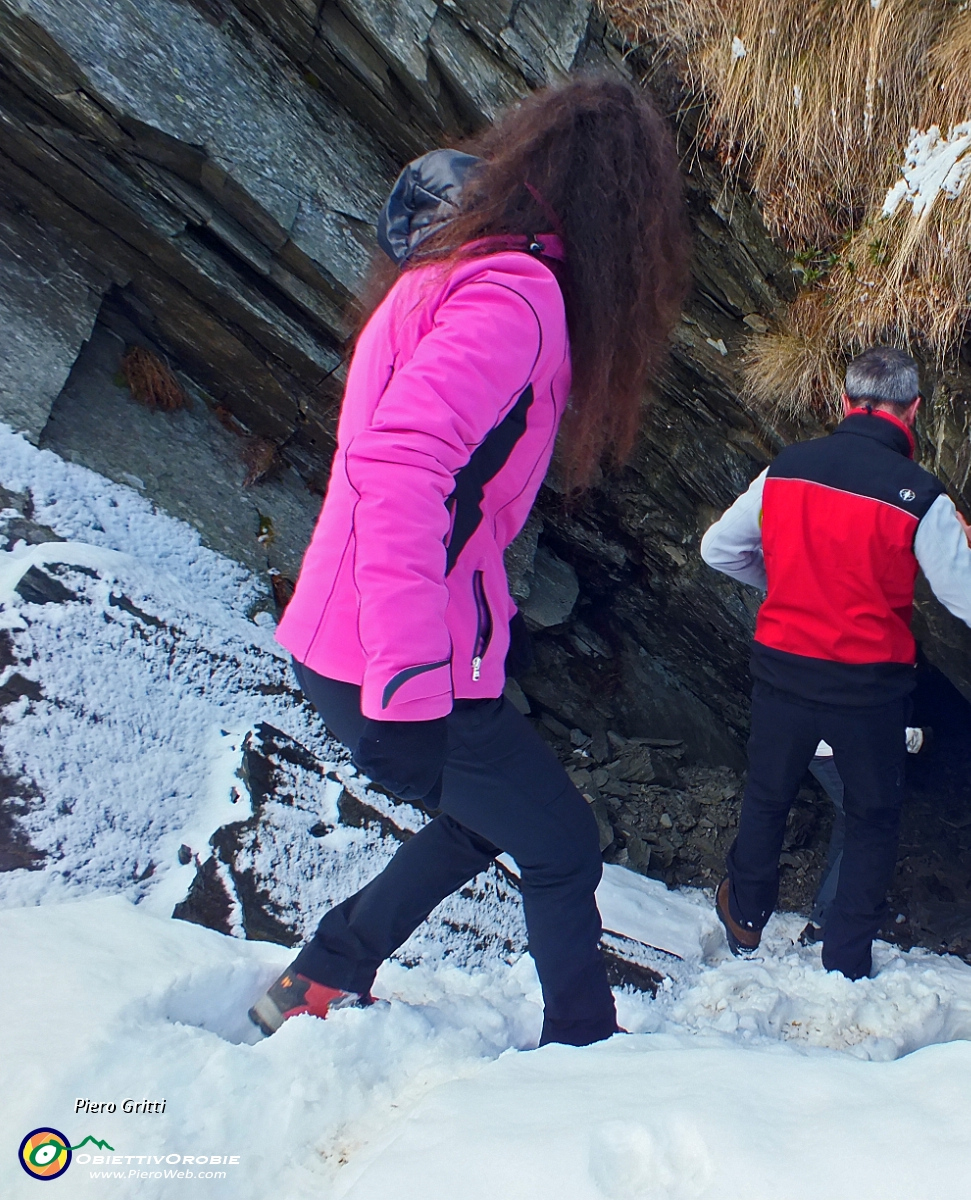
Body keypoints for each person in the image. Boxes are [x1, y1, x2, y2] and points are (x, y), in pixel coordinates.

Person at [248, 76, 690, 1047]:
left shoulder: (450, 279)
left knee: (485, 821)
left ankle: (321, 977)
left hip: (371, 639)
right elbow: (402, 468)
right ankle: (585, 1047)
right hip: (393, 658)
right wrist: (408, 684)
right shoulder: (515, 298)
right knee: (564, 847)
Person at [700, 347, 971, 980]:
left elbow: (718, 550)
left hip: (783, 667)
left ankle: (747, 919)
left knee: (767, 797)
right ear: (914, 410)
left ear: (843, 402)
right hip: (868, 686)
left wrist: (789, 586)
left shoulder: (785, 469)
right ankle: (844, 962)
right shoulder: (921, 497)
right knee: (873, 818)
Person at [799, 727, 925, 945]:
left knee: (849, 817)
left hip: (818, 743)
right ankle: (824, 919)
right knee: (863, 824)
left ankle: (824, 906)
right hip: (830, 749)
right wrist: (902, 736)